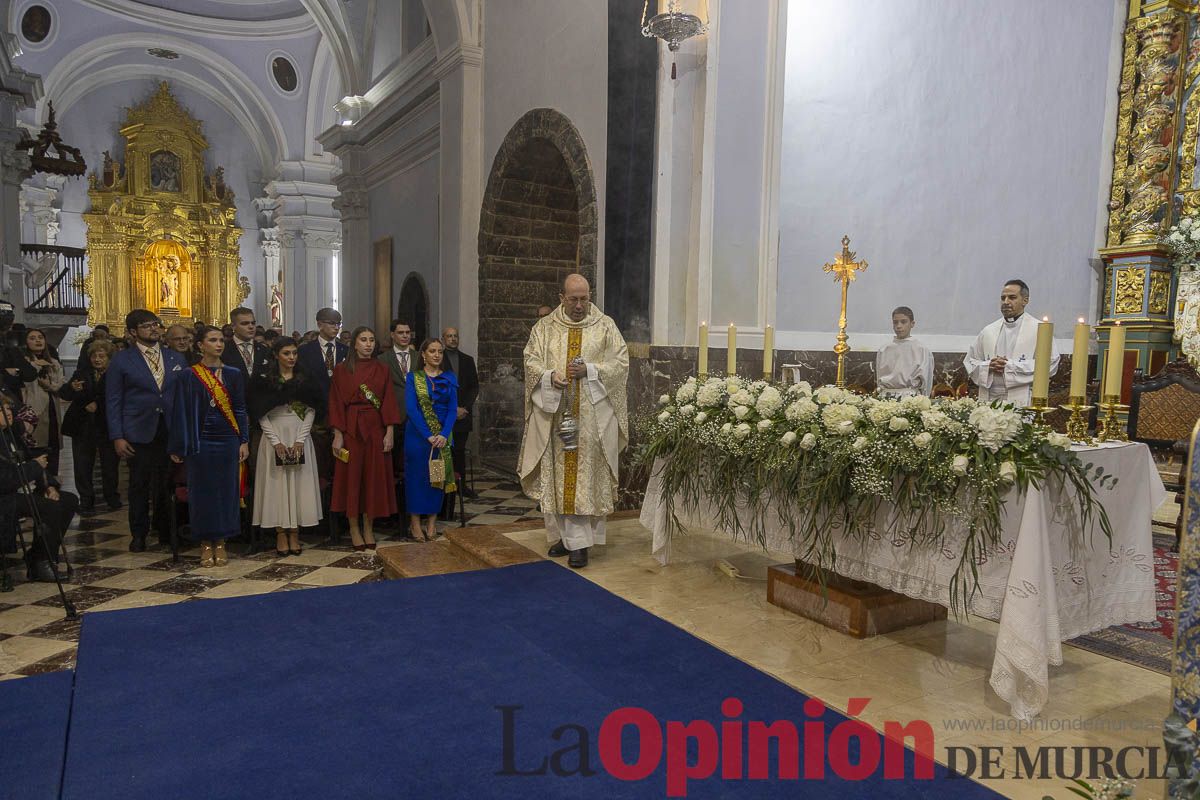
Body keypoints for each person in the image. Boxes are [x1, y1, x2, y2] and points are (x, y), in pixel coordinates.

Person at [519, 274, 629, 569]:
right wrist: (549, 376)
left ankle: (580, 544)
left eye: (584, 298)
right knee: (556, 477)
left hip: (592, 419)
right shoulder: (544, 328)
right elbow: (531, 361)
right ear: (561, 297)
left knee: (583, 479)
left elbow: (620, 364)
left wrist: (590, 370)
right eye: (574, 299)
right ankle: (561, 538)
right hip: (556, 417)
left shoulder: (605, 326)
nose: (580, 305)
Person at [168, 326, 250, 567]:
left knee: (226, 493)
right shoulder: (189, 375)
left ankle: (222, 541)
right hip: (200, 440)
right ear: (200, 345)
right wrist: (179, 445)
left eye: (221, 340)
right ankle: (205, 542)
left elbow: (240, 408)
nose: (219, 344)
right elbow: (180, 412)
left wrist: (243, 440)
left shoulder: (234, 374)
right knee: (202, 493)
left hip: (228, 439)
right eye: (213, 340)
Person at [106, 309, 187, 552]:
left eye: (156, 325)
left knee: (166, 483)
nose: (154, 329)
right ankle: (138, 533)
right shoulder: (123, 360)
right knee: (139, 484)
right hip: (138, 429)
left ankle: (164, 530)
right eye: (146, 326)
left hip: (168, 428)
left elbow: (182, 396)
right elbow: (113, 400)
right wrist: (117, 436)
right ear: (133, 332)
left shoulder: (174, 358)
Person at [329, 326, 400, 551]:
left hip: (375, 428)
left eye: (371, 340)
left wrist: (389, 431)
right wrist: (338, 435)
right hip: (350, 429)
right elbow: (336, 403)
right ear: (354, 344)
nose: (368, 344)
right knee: (352, 479)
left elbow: (388, 400)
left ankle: (369, 527)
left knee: (373, 478)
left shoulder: (382, 369)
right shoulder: (341, 370)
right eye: (363, 340)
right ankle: (353, 527)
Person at [250, 337, 323, 556]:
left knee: (298, 485)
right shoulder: (263, 380)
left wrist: (301, 438)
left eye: (294, 353)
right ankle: (281, 533)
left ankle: (295, 532)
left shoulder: (305, 378)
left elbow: (312, 408)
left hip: (299, 434)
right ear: (276, 355)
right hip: (274, 436)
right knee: (277, 486)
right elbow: (259, 412)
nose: (292, 358)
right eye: (286, 354)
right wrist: (275, 441)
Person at [0, 393, 78, 581]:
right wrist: (34, 466)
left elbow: (32, 460)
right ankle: (41, 563)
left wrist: (49, 486)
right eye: (2, 411)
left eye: (9, 409)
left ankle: (39, 553)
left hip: (17, 491)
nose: (8, 413)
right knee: (49, 508)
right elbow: (6, 480)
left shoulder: (10, 434)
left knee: (67, 500)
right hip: (5, 497)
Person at [964, 279, 1060, 406]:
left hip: (1022, 397)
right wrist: (988, 365)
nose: (1006, 302)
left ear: (1025, 300)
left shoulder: (1039, 330)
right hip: (989, 398)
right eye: (1003, 298)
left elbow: (1050, 363)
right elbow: (970, 361)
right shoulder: (988, 331)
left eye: (1012, 297)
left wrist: (1009, 366)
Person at [405, 339, 458, 541]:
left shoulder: (449, 378)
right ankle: (415, 523)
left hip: (442, 438)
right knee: (417, 480)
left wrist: (443, 434)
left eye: (440, 352)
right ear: (423, 355)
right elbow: (411, 409)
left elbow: (453, 409)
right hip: (419, 437)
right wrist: (429, 435)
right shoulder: (413, 378)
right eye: (432, 351)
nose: (437, 355)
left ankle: (432, 522)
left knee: (437, 479)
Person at [59, 340, 120, 513]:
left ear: (109, 358)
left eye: (102, 356)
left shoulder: (116, 374)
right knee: (82, 465)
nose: (97, 359)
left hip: (107, 425)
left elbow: (116, 396)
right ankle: (86, 500)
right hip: (83, 426)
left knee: (110, 465)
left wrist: (96, 403)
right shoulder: (82, 372)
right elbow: (65, 393)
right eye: (94, 356)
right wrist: (72, 388)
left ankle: (112, 497)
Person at [297, 308, 348, 489]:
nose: (336, 328)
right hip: (316, 414)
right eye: (332, 323)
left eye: (338, 324)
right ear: (319, 324)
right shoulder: (304, 352)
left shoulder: (346, 351)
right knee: (319, 464)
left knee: (340, 463)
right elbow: (300, 384)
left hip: (342, 414)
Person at [378, 319, 417, 530]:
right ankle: (393, 512)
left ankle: (413, 510)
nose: (405, 336)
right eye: (400, 332)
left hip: (416, 418)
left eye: (407, 332)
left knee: (414, 465)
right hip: (393, 419)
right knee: (393, 467)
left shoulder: (419, 357)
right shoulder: (383, 359)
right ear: (392, 334)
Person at [441, 326, 478, 500]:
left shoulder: (467, 360)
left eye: (455, 336)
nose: (453, 339)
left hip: (463, 413)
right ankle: (444, 485)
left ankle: (461, 486)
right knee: (445, 450)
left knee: (460, 451)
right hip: (444, 413)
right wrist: (451, 409)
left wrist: (465, 408)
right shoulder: (438, 359)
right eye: (449, 336)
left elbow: (474, 387)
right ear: (443, 339)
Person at [21, 328, 64, 477]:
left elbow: (60, 383)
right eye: (32, 338)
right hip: (34, 409)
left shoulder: (53, 362)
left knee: (53, 446)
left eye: (40, 337)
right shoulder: (24, 362)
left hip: (52, 407)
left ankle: (53, 482)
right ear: (26, 342)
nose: (38, 340)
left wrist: (49, 385)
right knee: (37, 447)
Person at [875, 306, 934, 399]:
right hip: (886, 396)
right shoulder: (884, 349)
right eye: (895, 322)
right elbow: (879, 377)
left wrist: (923, 399)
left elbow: (926, 379)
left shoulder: (921, 349)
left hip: (910, 397)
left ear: (912, 323)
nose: (899, 326)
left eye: (903, 322)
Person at [0, 300, 35, 397]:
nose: (12, 322)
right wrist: (6, 372)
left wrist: (16, 371)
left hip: (13, 401)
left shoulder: (10, 346)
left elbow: (30, 374)